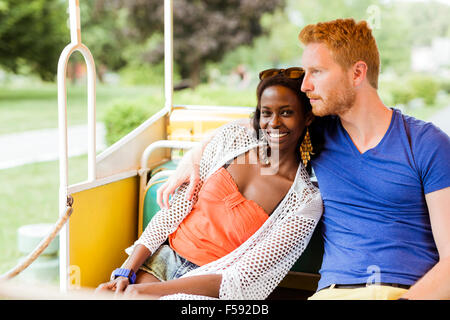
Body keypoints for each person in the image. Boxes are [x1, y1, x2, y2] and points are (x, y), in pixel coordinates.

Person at [160, 18, 450, 300]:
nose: (305, 85)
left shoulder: (427, 144)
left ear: (357, 73)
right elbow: (241, 129)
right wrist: (192, 161)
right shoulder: (314, 131)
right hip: (333, 293)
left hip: (405, 291)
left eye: (317, 72)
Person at [95, 70, 323, 299]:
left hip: (210, 286)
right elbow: (171, 214)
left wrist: (144, 292)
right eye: (266, 113)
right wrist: (126, 272)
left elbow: (240, 279)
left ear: (307, 117)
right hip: (161, 263)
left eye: (286, 113)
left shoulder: (304, 202)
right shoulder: (232, 140)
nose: (273, 123)